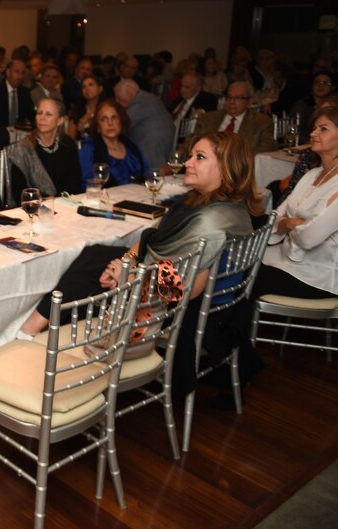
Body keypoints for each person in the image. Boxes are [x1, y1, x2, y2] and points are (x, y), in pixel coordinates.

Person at [17, 132, 263, 398]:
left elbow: (187, 290)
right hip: (158, 277)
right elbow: (151, 240)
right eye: (191, 155)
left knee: (90, 263)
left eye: (199, 157)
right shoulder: (215, 206)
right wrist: (128, 262)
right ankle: (33, 328)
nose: (188, 162)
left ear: (227, 168)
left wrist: (130, 275)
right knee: (96, 255)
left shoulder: (211, 223)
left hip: (174, 307)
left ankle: (30, 333)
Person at [255, 105, 338, 300]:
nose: (313, 133)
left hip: (318, 276)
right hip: (285, 259)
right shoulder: (313, 174)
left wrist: (289, 223)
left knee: (237, 276)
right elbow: (276, 217)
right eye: (315, 128)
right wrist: (288, 223)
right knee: (227, 263)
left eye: (323, 129)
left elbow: (309, 238)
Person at [6, 97, 82, 196]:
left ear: (60, 120)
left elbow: (75, 185)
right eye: (39, 113)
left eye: (48, 114)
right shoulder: (21, 149)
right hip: (31, 207)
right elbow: (19, 192)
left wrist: (58, 201)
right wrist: (48, 201)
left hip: (64, 205)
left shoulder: (68, 145)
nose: (42, 118)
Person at [78, 99, 149, 189]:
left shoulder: (131, 145)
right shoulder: (89, 149)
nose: (110, 123)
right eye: (104, 119)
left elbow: (147, 174)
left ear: (121, 121)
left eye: (114, 117)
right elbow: (86, 185)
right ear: (98, 126)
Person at [191, 81, 277, 153]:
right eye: (229, 97)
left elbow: (269, 147)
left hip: (238, 167)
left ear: (249, 101)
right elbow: (191, 141)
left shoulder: (262, 122)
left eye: (238, 98)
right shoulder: (208, 118)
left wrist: (237, 158)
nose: (232, 102)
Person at [115, 79, 175, 168]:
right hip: (158, 143)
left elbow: (123, 122)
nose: (117, 102)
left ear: (130, 92)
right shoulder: (148, 97)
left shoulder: (141, 101)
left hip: (153, 146)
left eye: (119, 98)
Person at [0, 58, 34, 128]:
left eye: (22, 73)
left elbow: (31, 115)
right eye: (17, 71)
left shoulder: (24, 92)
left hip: (19, 131)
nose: (20, 76)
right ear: (8, 72)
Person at [289, 72, 335, 144]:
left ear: (333, 87)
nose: (320, 85)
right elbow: (294, 131)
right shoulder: (302, 105)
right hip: (306, 144)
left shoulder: (334, 105)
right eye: (317, 82)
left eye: (326, 83)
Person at [67, 73, 104, 140]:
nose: (87, 88)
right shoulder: (77, 111)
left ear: (100, 88)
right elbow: (70, 140)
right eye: (84, 87)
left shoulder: (108, 109)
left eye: (91, 85)